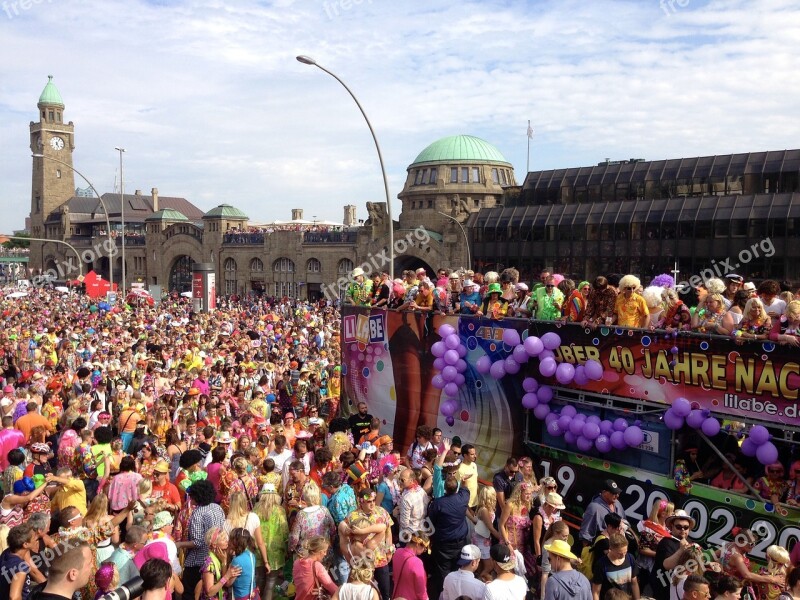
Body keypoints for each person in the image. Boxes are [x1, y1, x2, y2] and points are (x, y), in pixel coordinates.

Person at [428, 475, 471, 598]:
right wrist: (463, 481)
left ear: (445, 488)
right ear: (456, 488)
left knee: (443, 573)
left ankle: (445, 595)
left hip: (443, 545)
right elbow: (465, 489)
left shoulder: (438, 503)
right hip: (458, 543)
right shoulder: (462, 499)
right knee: (458, 571)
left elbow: (431, 522)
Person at [652, 510, 695, 600]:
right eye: (679, 527)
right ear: (672, 527)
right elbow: (667, 565)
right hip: (664, 588)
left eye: (686, 527)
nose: (682, 530)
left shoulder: (689, 541)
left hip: (678, 586)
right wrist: (681, 550)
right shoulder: (666, 542)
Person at [0, 523, 43, 600]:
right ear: (25, 544)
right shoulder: (20, 567)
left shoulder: (6, 553)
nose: (37, 539)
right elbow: (14, 597)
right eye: (34, 538)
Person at [591, 533, 640, 600]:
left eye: (625, 552)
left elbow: (634, 583)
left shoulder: (630, 558)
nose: (623, 555)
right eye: (619, 553)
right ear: (611, 548)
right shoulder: (601, 564)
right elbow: (596, 592)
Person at [579, 479, 626, 547]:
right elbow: (586, 536)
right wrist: (586, 554)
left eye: (618, 493)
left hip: (618, 547)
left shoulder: (617, 503)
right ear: (604, 492)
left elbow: (624, 522)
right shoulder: (594, 508)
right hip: (602, 548)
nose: (617, 495)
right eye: (614, 493)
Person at [293, 536, 338, 600]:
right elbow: (333, 588)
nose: (325, 554)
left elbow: (303, 584)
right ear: (319, 552)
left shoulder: (296, 563)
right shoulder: (317, 566)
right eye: (325, 551)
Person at [391, 531, 430, 600]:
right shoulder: (417, 562)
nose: (424, 550)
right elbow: (421, 589)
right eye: (424, 548)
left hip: (396, 596)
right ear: (417, 544)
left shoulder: (397, 552)